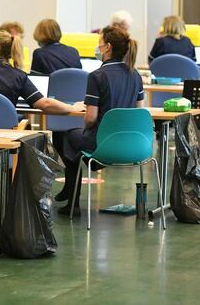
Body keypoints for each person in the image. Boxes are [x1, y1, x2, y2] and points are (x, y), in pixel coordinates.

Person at [0, 31, 84, 210]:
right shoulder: (18, 75)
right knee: (20, 131)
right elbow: (44, 103)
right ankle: (11, 191)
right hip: (6, 137)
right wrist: (71, 108)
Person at [55, 26, 144, 215]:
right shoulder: (135, 75)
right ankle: (89, 167)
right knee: (74, 138)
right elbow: (140, 111)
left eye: (99, 43)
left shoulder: (97, 76)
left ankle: (73, 199)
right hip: (131, 145)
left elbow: (91, 118)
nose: (98, 46)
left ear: (107, 48)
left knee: (63, 136)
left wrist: (85, 121)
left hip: (102, 142)